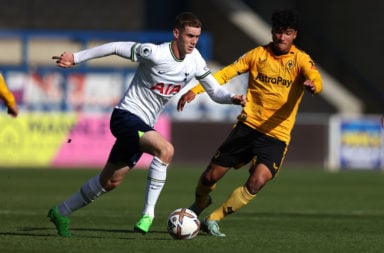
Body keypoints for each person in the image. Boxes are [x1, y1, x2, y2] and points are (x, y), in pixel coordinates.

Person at [47, 12, 245, 237]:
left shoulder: (196, 59)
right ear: (176, 33)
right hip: (126, 117)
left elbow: (214, 90)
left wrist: (232, 98)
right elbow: (115, 46)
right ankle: (148, 214)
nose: (193, 41)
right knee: (166, 150)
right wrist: (76, 57)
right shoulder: (155, 53)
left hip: (143, 123)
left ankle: (61, 211)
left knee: (110, 181)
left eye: (197, 37)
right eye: (190, 35)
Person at [177, 9, 323, 237]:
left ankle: (214, 219)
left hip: (276, 136)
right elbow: (226, 73)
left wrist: (314, 86)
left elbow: (315, 78)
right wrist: (196, 90)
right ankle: (200, 203)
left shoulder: (301, 60)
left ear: (294, 35)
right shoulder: (257, 55)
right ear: (272, 31)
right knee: (209, 177)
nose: (281, 37)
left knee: (257, 182)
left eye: (286, 33)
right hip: (247, 128)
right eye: (277, 32)